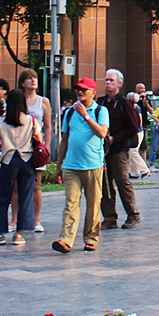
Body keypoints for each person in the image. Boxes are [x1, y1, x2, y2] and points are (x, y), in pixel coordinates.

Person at [52, 78, 109, 254]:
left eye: (84, 90)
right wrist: (59, 165)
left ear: (93, 92)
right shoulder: (69, 112)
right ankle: (66, 240)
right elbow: (64, 140)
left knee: (93, 204)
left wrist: (86, 115)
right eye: (78, 89)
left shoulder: (100, 111)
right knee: (71, 203)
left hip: (93, 165)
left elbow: (101, 133)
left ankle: (91, 239)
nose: (80, 92)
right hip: (71, 166)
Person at [0, 89, 42, 246]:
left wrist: (6, 144)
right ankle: (19, 234)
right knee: (25, 198)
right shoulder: (31, 120)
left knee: (2, 198)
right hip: (27, 161)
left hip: (8, 161)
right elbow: (38, 140)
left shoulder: (1, 122)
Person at [98, 69, 141, 229]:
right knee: (104, 183)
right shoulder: (101, 103)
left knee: (122, 181)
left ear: (119, 84)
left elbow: (133, 127)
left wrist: (114, 138)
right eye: (106, 80)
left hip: (118, 150)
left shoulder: (124, 103)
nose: (108, 83)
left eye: (111, 80)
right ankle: (109, 217)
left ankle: (133, 214)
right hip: (102, 150)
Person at [10, 70, 51, 233]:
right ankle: (14, 220)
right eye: (29, 78)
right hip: (19, 145)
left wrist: (46, 147)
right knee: (15, 186)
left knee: (36, 185)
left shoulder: (43, 101)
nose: (33, 80)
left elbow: (47, 127)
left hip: (36, 146)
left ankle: (36, 220)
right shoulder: (17, 100)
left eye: (34, 78)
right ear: (22, 83)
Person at [125, 92, 151, 179]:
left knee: (133, 151)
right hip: (135, 132)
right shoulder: (132, 108)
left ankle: (144, 170)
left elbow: (139, 121)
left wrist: (135, 130)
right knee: (131, 152)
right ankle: (134, 172)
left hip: (137, 132)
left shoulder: (136, 108)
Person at [135, 83, 153, 160]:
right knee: (134, 147)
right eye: (140, 88)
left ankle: (144, 164)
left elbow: (152, 111)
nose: (142, 90)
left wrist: (146, 103)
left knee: (143, 146)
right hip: (134, 124)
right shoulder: (134, 98)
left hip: (143, 125)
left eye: (143, 88)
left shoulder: (147, 99)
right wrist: (138, 99)